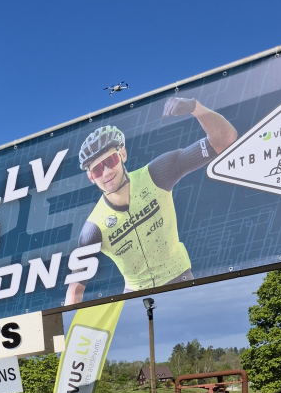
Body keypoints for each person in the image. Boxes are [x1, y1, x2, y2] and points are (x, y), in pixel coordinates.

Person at [65, 100, 237, 302]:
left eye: (110, 161)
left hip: (179, 279)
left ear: (122, 154)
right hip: (136, 297)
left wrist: (195, 107)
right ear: (91, 178)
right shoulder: (93, 228)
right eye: (96, 170)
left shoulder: (156, 174)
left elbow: (225, 138)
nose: (106, 172)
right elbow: (74, 292)